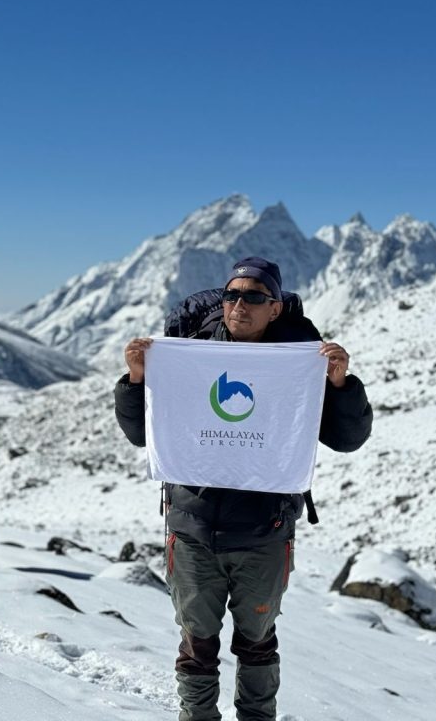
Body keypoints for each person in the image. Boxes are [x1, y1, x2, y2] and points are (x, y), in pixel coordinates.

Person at [114, 257, 372, 721]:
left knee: (256, 642)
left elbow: (348, 438)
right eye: (232, 294)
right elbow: (142, 435)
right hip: (192, 528)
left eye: (254, 296)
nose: (240, 304)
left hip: (264, 531)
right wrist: (137, 380)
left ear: (275, 308)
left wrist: (339, 385)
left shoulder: (301, 363)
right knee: (197, 643)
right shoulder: (188, 356)